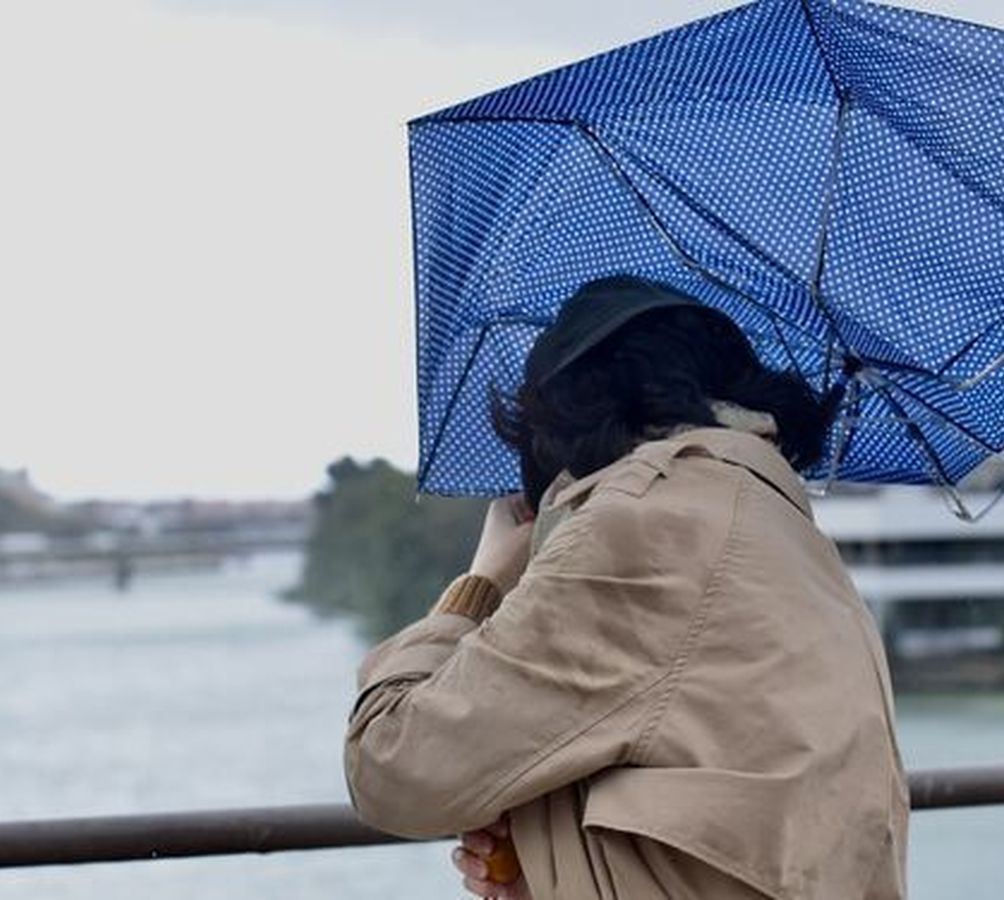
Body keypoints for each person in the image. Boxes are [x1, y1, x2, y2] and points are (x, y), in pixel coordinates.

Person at [343, 275, 908, 899]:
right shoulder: (781, 528)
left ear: (566, 422)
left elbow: (394, 767)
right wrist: (556, 855)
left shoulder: (641, 526)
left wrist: (478, 584)